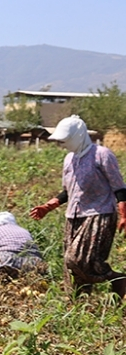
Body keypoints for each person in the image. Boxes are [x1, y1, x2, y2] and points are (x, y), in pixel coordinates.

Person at [29, 115, 126, 297]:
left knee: (77, 259)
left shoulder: (102, 155)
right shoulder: (69, 159)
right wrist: (47, 207)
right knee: (73, 266)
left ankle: (117, 279)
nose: (63, 144)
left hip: (99, 213)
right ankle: (79, 303)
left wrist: (124, 214)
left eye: (65, 140)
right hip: (73, 216)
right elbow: (67, 191)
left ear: (79, 135)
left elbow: (119, 187)